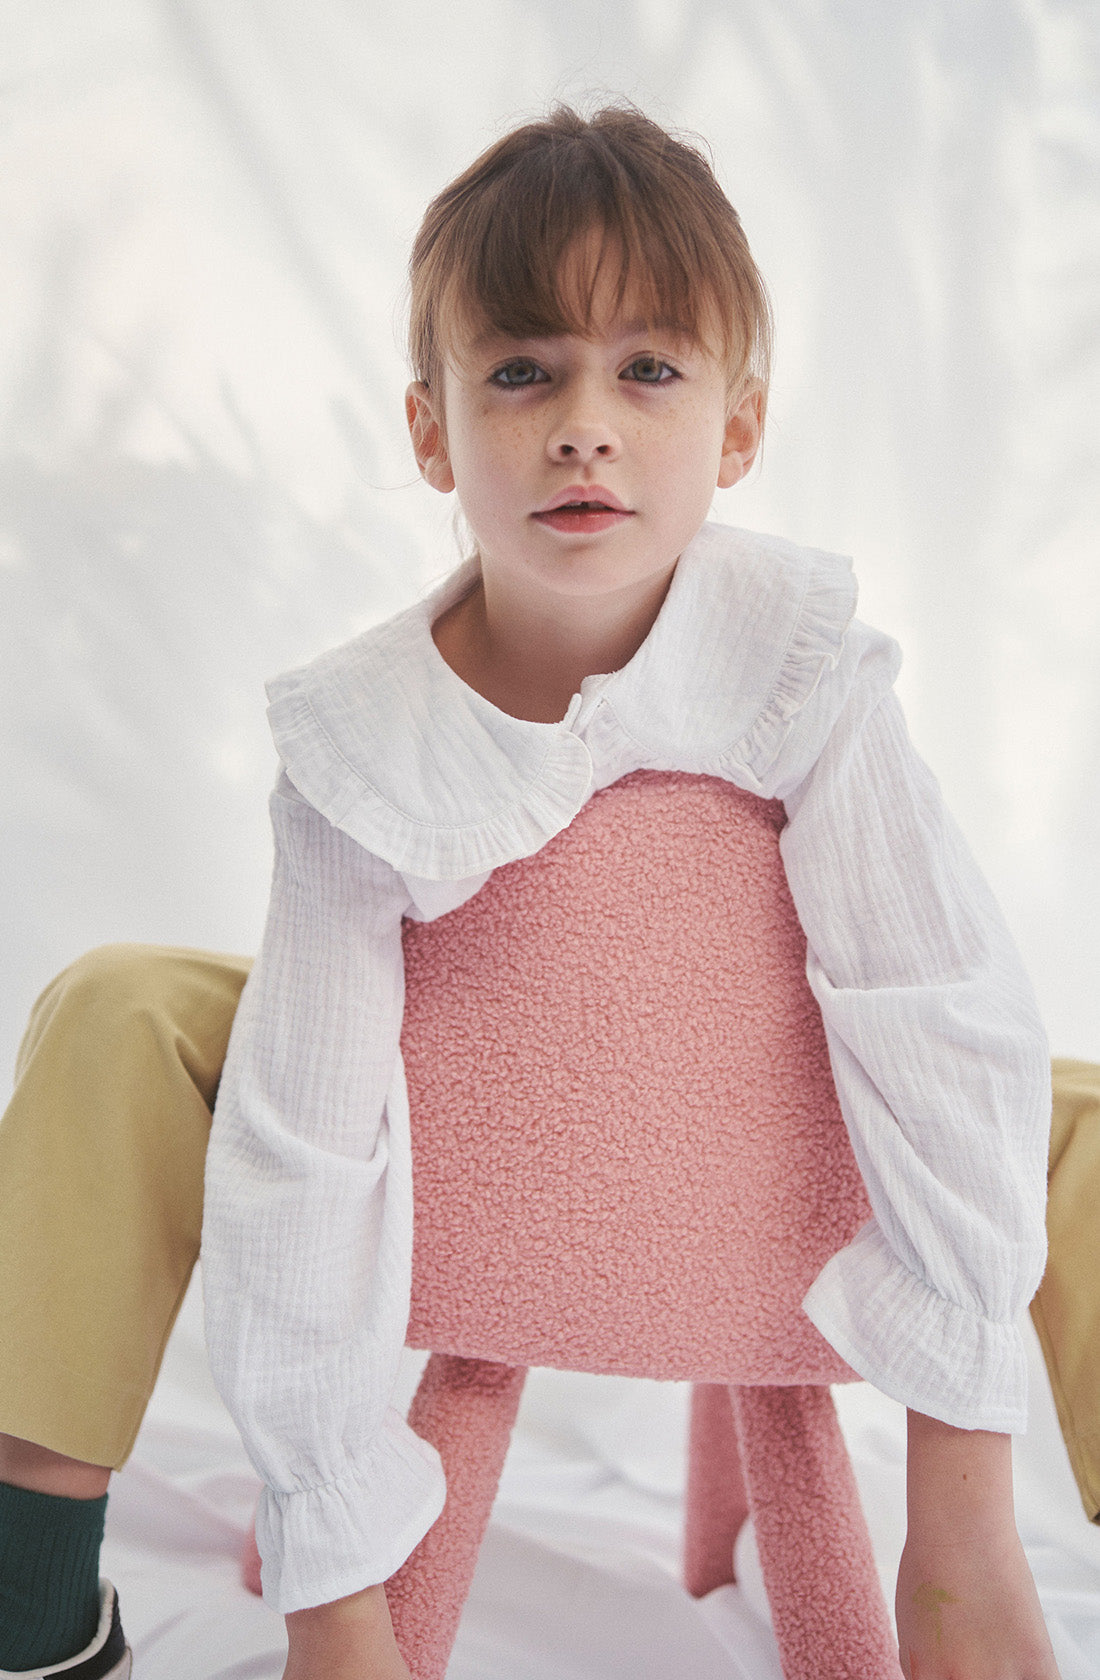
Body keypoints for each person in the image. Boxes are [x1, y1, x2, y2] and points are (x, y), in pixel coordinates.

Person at [0, 102, 1090, 1680]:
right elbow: (309, 1144)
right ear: (432, 429)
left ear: (737, 429)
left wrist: (961, 1541)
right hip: (484, 1179)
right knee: (1038, 1097)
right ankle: (28, 1588)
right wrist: (333, 1587)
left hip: (738, 1182)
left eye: (647, 368)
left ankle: (32, 1570)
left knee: (122, 1010)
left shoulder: (794, 669)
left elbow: (928, 1012)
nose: (586, 421)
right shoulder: (361, 746)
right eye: (524, 370)